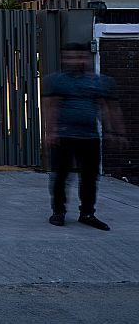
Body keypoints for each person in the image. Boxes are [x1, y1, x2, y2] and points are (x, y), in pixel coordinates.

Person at [42, 42, 124, 230]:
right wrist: (51, 131)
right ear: (64, 59)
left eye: (80, 56)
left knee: (89, 177)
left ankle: (87, 213)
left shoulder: (99, 82)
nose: (76, 60)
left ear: (87, 58)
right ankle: (58, 212)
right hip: (64, 137)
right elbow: (51, 106)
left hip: (89, 138)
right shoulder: (57, 81)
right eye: (71, 57)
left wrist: (112, 131)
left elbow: (106, 107)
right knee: (61, 176)